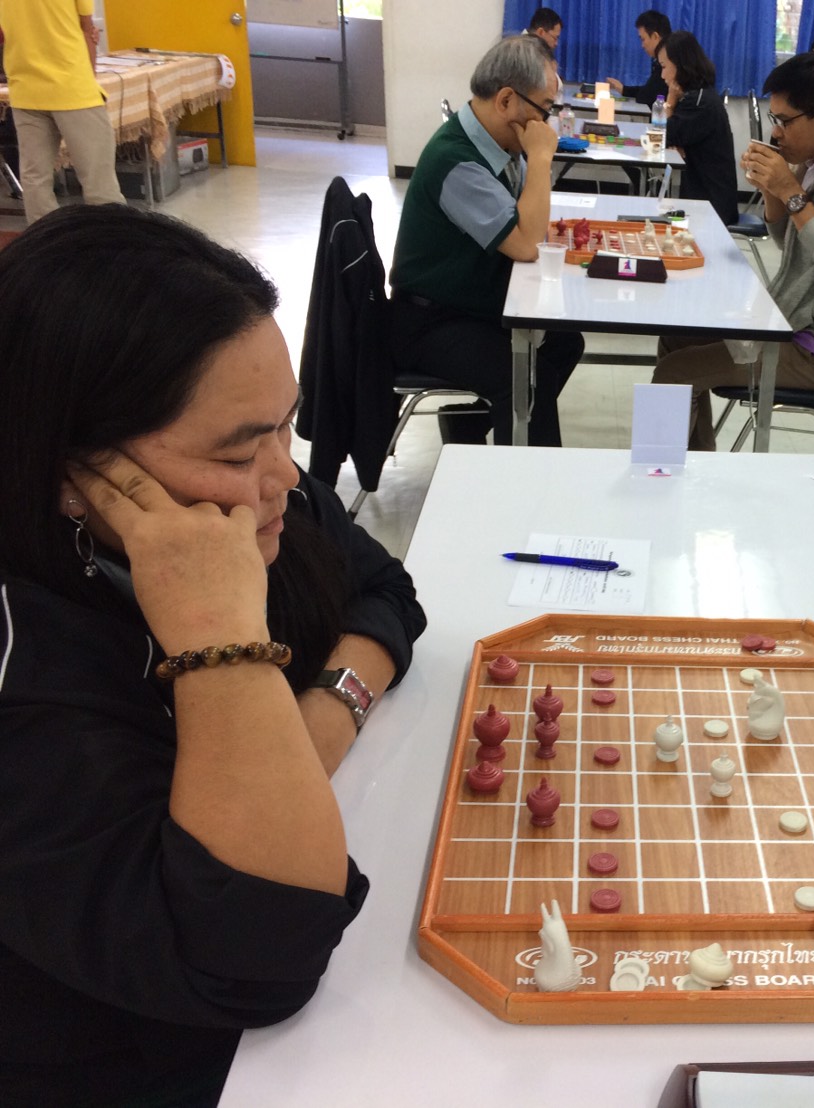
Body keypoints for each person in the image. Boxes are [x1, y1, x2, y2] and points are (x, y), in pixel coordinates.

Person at [0, 204, 426, 1104]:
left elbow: (385, 592)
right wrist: (217, 637)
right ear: (77, 476)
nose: (285, 475)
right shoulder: (26, 672)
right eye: (238, 454)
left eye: (285, 426)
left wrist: (317, 721)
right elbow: (259, 958)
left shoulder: (259, 501)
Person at [652, 52, 814, 450]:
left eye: (785, 121)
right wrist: (773, 190)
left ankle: (658, 474)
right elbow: (797, 244)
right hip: (795, 320)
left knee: (675, 372)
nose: (776, 133)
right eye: (774, 119)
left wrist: (790, 190)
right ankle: (696, 463)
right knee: (675, 339)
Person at [390, 35, 584, 446]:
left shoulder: (498, 146)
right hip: (431, 321)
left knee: (565, 343)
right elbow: (526, 245)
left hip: (469, 302)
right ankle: (529, 480)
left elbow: (528, 221)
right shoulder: (456, 161)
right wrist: (542, 158)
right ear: (507, 100)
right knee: (525, 380)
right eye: (544, 109)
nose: (545, 123)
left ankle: (470, 424)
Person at [0, 0, 124, 223]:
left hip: (25, 90)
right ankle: (112, 237)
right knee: (98, 181)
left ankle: (45, 239)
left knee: (35, 179)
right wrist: (89, 80)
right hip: (73, 90)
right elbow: (88, 30)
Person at [658, 30, 738, 226]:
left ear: (680, 65)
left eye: (664, 67)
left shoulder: (699, 102)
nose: (662, 75)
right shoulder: (698, 95)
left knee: (657, 222)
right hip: (705, 196)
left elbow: (663, 135)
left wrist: (670, 101)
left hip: (712, 206)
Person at [604, 9, 669, 106]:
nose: (642, 45)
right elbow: (649, 90)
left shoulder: (669, 60)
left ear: (655, 36)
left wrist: (625, 90)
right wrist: (623, 89)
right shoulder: (658, 59)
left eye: (643, 39)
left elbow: (647, 97)